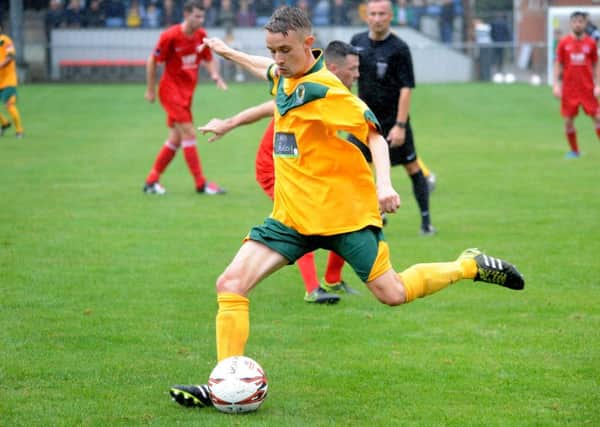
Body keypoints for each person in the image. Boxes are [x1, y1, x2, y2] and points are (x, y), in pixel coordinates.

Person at [168, 6, 525, 408]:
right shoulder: (286, 75)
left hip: (344, 218)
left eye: (284, 50)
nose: (277, 60)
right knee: (230, 285)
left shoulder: (327, 90)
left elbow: (374, 136)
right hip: (292, 218)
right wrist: (228, 55)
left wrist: (384, 185)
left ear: (309, 45)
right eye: (272, 51)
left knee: (392, 293)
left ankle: (468, 264)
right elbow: (264, 71)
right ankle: (225, 385)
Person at [197, 40, 366, 304]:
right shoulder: (308, 88)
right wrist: (228, 124)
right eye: (353, 68)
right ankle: (313, 289)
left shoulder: (332, 94)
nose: (357, 74)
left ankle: (332, 279)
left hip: (306, 170)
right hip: (275, 167)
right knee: (300, 221)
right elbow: (268, 107)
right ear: (334, 68)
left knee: (349, 211)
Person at [351, 0, 435, 235]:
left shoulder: (399, 48)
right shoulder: (357, 43)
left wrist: (400, 125)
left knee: (412, 166)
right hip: (363, 121)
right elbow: (346, 78)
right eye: (373, 13)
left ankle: (426, 222)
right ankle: (372, 216)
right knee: (353, 166)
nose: (377, 18)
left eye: (382, 14)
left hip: (393, 121)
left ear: (391, 17)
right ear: (366, 16)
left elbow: (406, 88)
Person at [143, 0, 228, 195]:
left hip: (186, 93)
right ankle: (201, 184)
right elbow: (152, 61)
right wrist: (150, 89)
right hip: (170, 91)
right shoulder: (170, 36)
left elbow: (208, 59)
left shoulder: (201, 36)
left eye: (202, 16)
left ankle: (151, 181)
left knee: (175, 137)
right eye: (197, 16)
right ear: (186, 14)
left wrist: (215, 75)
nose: (201, 20)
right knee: (189, 133)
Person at [553, 10, 600, 159]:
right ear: (570, 23)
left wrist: (598, 84)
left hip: (587, 88)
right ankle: (574, 151)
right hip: (569, 89)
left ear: (585, 24)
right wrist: (556, 84)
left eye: (580, 22)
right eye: (575, 22)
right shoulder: (564, 43)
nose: (578, 24)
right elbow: (558, 64)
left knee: (598, 118)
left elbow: (596, 64)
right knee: (568, 121)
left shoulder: (591, 43)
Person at [0, 23, 24, 139]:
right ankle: (4, 124)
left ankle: (19, 131)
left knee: (9, 105)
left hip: (8, 80)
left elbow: (10, 57)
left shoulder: (5, 40)